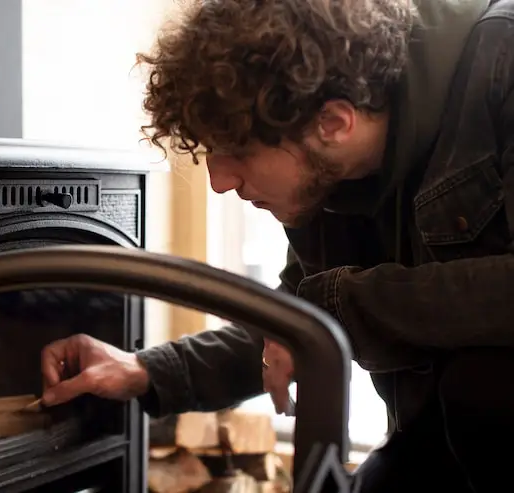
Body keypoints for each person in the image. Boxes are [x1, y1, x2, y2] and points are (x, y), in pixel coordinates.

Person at [41, 0, 514, 491]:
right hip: (437, 449)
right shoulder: (329, 178)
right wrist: (143, 371)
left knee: (483, 384)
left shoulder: (503, 59)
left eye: (239, 152)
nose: (219, 181)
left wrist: (336, 304)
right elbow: (291, 326)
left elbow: (330, 309)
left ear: (333, 123)